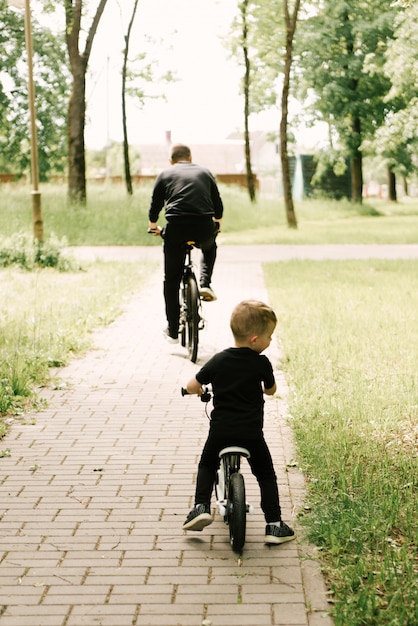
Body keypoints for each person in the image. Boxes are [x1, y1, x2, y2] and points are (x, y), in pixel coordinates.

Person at [182, 300, 295, 545]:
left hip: (221, 431)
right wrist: (267, 385)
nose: (271, 341)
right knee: (266, 474)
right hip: (251, 434)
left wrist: (196, 390)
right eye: (269, 336)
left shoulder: (218, 360)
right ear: (255, 339)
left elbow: (192, 385)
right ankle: (274, 525)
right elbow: (271, 390)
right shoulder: (261, 363)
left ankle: (201, 506)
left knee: (207, 464)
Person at [148, 144, 224, 343]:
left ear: (171, 161)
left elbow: (155, 204)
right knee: (209, 247)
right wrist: (218, 224)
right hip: (203, 226)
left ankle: (173, 329)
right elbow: (217, 204)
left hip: (176, 227)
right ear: (191, 158)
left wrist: (153, 226)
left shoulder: (165, 174)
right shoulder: (205, 173)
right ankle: (205, 284)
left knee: (171, 280)